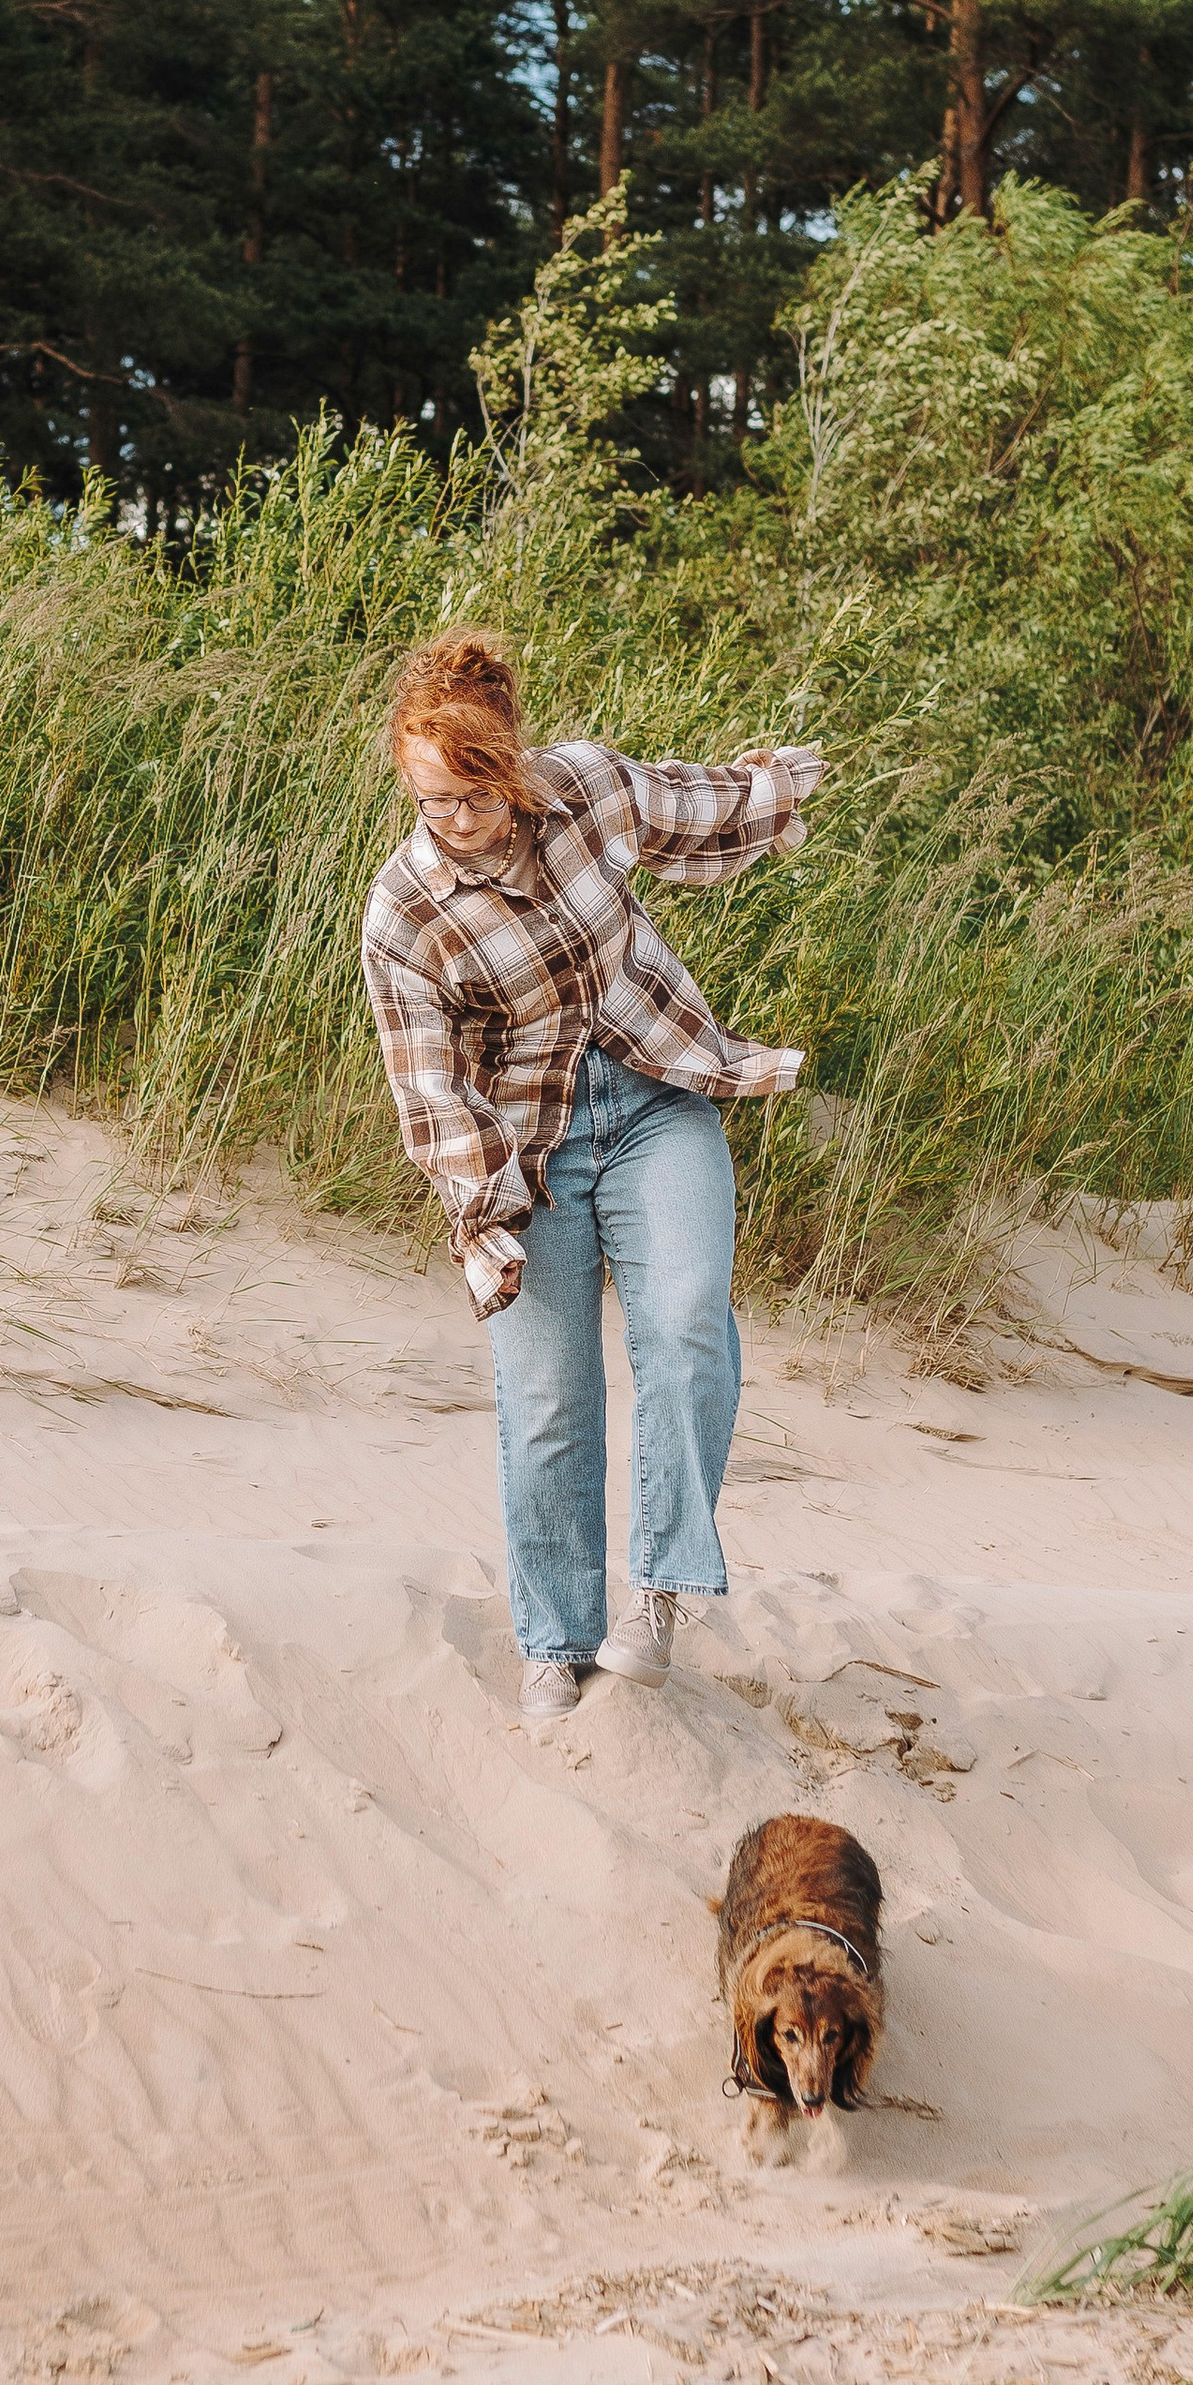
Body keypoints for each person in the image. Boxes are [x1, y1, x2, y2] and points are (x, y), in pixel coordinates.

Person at [360, 630, 822, 1729]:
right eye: (432, 802)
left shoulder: (581, 791)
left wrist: (779, 782)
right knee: (550, 1399)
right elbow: (430, 1098)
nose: (456, 824)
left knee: (685, 1321)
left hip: (658, 1091)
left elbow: (693, 809)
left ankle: (658, 1591)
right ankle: (554, 1646)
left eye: (474, 797)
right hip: (528, 1152)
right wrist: (489, 1220)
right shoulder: (403, 915)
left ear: (512, 766)